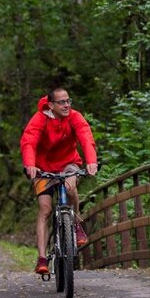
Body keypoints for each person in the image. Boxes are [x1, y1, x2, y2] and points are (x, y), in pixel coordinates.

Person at [20, 88, 98, 275]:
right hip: (43, 167)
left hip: (68, 163)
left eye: (68, 101)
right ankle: (41, 258)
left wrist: (92, 161)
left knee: (71, 189)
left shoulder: (75, 117)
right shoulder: (40, 119)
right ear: (51, 105)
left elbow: (86, 138)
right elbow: (29, 141)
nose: (66, 105)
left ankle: (77, 224)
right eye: (61, 102)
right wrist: (30, 165)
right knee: (45, 209)